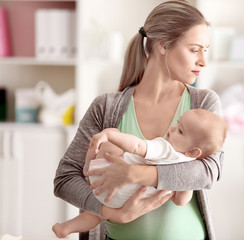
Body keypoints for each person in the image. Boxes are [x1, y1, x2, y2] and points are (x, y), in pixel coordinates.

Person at [53, 1, 224, 239]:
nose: (203, 61)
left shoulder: (202, 104)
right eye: (195, 50)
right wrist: (111, 212)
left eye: (205, 50)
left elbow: (207, 171)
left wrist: (134, 174)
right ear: (163, 45)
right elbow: (65, 178)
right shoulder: (106, 107)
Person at [52, 109, 226, 238]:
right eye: (177, 123)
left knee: (111, 142)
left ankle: (87, 167)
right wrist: (185, 184)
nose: (173, 128)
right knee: (97, 216)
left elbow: (137, 146)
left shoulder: (165, 148)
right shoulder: (189, 166)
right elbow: (181, 201)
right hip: (121, 201)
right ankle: (66, 228)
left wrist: (111, 135)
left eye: (180, 130)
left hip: (105, 184)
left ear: (194, 151)